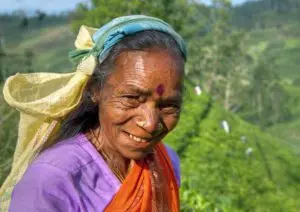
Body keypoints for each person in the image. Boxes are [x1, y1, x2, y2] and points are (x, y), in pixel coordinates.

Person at [1, 15, 187, 211]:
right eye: (132, 98)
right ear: (94, 89)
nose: (150, 123)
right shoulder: (51, 181)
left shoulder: (166, 161)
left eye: (168, 105)